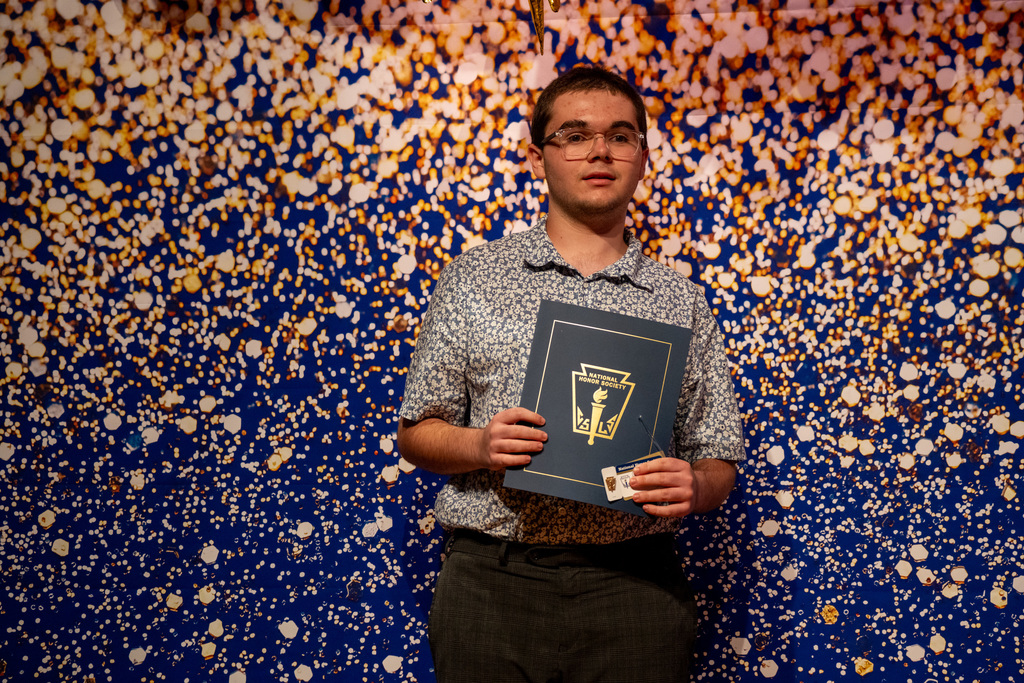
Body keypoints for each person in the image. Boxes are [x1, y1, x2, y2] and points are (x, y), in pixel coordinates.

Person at [397, 65, 745, 683]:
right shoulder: (475, 277)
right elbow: (416, 431)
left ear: (643, 156)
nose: (599, 151)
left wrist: (694, 485)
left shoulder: (680, 300)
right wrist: (479, 444)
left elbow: (718, 460)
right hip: (490, 580)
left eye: (620, 135)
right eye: (574, 134)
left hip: (634, 584)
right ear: (539, 157)